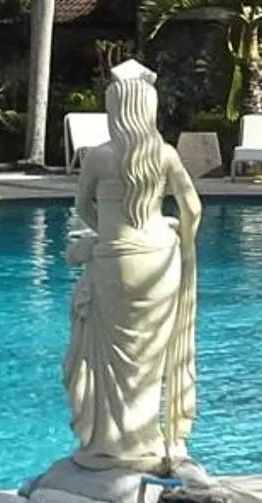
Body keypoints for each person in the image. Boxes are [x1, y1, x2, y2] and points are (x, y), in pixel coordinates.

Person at [62, 60, 202, 472]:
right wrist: (180, 236)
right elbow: (193, 208)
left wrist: (107, 234)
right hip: (159, 260)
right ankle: (147, 439)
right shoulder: (165, 154)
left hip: (113, 261)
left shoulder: (99, 157)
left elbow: (81, 206)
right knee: (151, 359)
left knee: (106, 359)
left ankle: (108, 443)